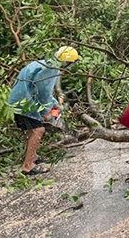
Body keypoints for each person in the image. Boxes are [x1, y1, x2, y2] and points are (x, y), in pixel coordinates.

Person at [8, 46, 80, 175]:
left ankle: (33, 157)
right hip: (24, 101)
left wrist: (55, 105)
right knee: (38, 130)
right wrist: (47, 112)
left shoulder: (45, 64)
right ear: (66, 62)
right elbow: (43, 93)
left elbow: (43, 91)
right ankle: (27, 166)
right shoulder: (50, 70)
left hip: (22, 98)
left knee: (32, 129)